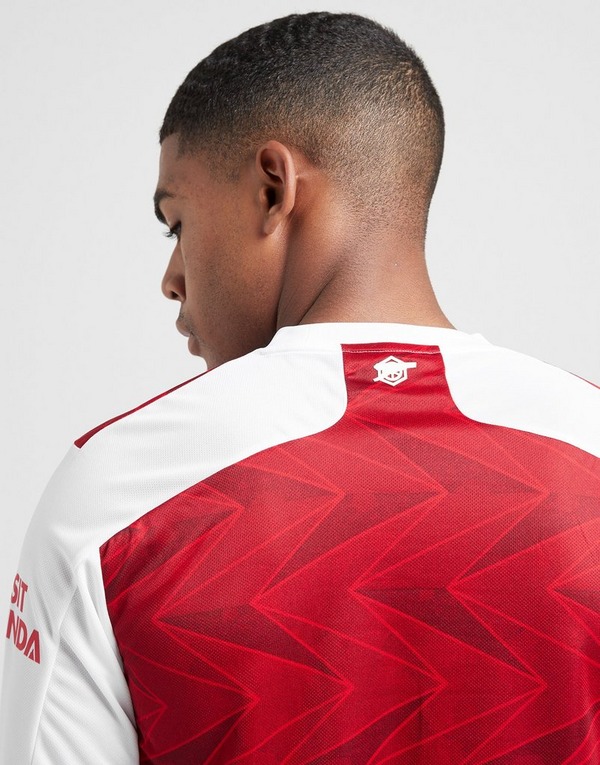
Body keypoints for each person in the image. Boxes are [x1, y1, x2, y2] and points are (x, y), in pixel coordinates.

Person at [1, 10, 599, 764]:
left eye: (176, 225)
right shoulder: (589, 450)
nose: (171, 278)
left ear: (272, 188)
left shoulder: (116, 495)